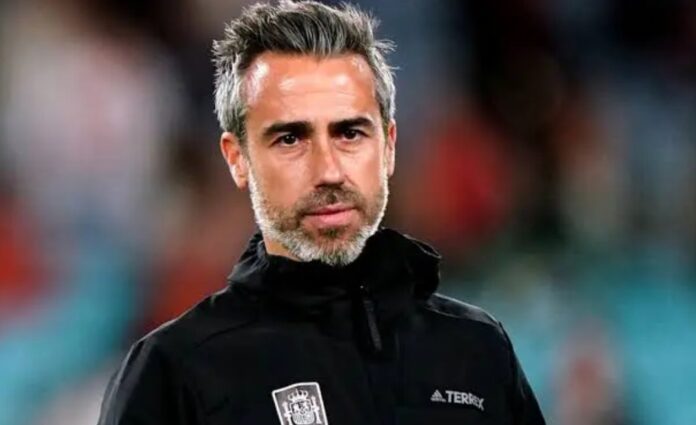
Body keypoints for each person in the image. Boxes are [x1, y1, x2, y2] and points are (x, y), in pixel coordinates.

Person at [98, 1, 546, 424]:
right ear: (237, 159)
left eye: (349, 133)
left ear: (388, 147)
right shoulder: (175, 370)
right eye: (290, 139)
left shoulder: (478, 349)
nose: (328, 171)